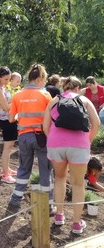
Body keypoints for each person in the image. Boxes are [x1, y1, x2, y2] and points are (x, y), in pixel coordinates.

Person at [43, 76, 100, 234]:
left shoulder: (54, 101)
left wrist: (54, 140)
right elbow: (96, 124)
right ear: (77, 88)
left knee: (60, 179)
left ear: (64, 88)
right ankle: (76, 223)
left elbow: (45, 126)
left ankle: (59, 216)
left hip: (56, 144)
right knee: (78, 184)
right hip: (79, 145)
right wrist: (87, 140)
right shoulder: (84, 100)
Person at [9, 64, 53, 207]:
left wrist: (22, 117)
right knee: (45, 170)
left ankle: (16, 199)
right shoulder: (45, 95)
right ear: (39, 79)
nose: (44, 83)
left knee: (23, 168)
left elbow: (11, 119)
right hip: (42, 138)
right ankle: (49, 203)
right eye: (44, 80)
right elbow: (52, 118)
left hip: (24, 137)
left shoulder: (17, 95)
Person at [0, 67, 18, 184]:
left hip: (9, 119)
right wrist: (19, 101)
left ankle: (6, 168)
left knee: (10, 146)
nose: (8, 81)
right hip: (6, 120)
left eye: (9, 79)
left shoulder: (2, 87)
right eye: (6, 79)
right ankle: (5, 174)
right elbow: (6, 107)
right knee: (7, 147)